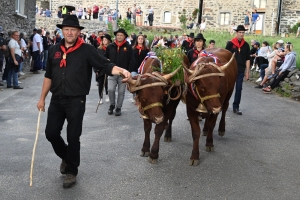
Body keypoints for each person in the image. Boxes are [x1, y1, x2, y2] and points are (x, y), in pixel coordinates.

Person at [36, 15, 131, 189]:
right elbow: (48, 76)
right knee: (51, 134)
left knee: (73, 136)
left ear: (79, 32)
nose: (69, 32)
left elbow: (105, 65)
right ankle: (66, 156)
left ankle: (72, 171)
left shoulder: (86, 50)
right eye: (66, 29)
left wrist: (122, 71)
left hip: (76, 101)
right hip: (56, 100)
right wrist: (42, 98)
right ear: (62, 31)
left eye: (73, 29)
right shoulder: (54, 50)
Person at [105, 28, 135, 116]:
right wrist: (106, 64)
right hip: (112, 72)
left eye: (121, 35)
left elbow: (132, 60)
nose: (119, 37)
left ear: (124, 36)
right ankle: (112, 105)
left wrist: (128, 71)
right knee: (110, 89)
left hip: (123, 74)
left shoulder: (128, 47)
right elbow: (105, 58)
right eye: (118, 35)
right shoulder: (110, 46)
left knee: (121, 92)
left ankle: (118, 107)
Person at [225, 25, 250, 115]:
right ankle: (224, 104)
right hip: (231, 70)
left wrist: (247, 72)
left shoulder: (246, 45)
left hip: (240, 70)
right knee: (227, 88)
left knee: (239, 88)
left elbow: (248, 59)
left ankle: (236, 107)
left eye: (243, 32)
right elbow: (225, 56)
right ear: (236, 33)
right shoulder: (230, 43)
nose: (241, 34)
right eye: (240, 32)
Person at [130, 34, 149, 102]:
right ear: (137, 40)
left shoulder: (147, 49)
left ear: (143, 40)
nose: (140, 40)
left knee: (142, 82)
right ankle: (134, 96)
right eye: (139, 38)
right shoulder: (133, 48)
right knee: (134, 82)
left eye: (142, 38)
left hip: (143, 69)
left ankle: (141, 96)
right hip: (134, 68)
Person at [96, 33, 112, 104]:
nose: (104, 41)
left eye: (106, 40)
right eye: (103, 40)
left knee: (107, 83)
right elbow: (95, 60)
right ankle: (100, 97)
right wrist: (96, 69)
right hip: (100, 69)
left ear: (108, 41)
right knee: (101, 83)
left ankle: (107, 94)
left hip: (108, 68)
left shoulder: (111, 49)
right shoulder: (98, 50)